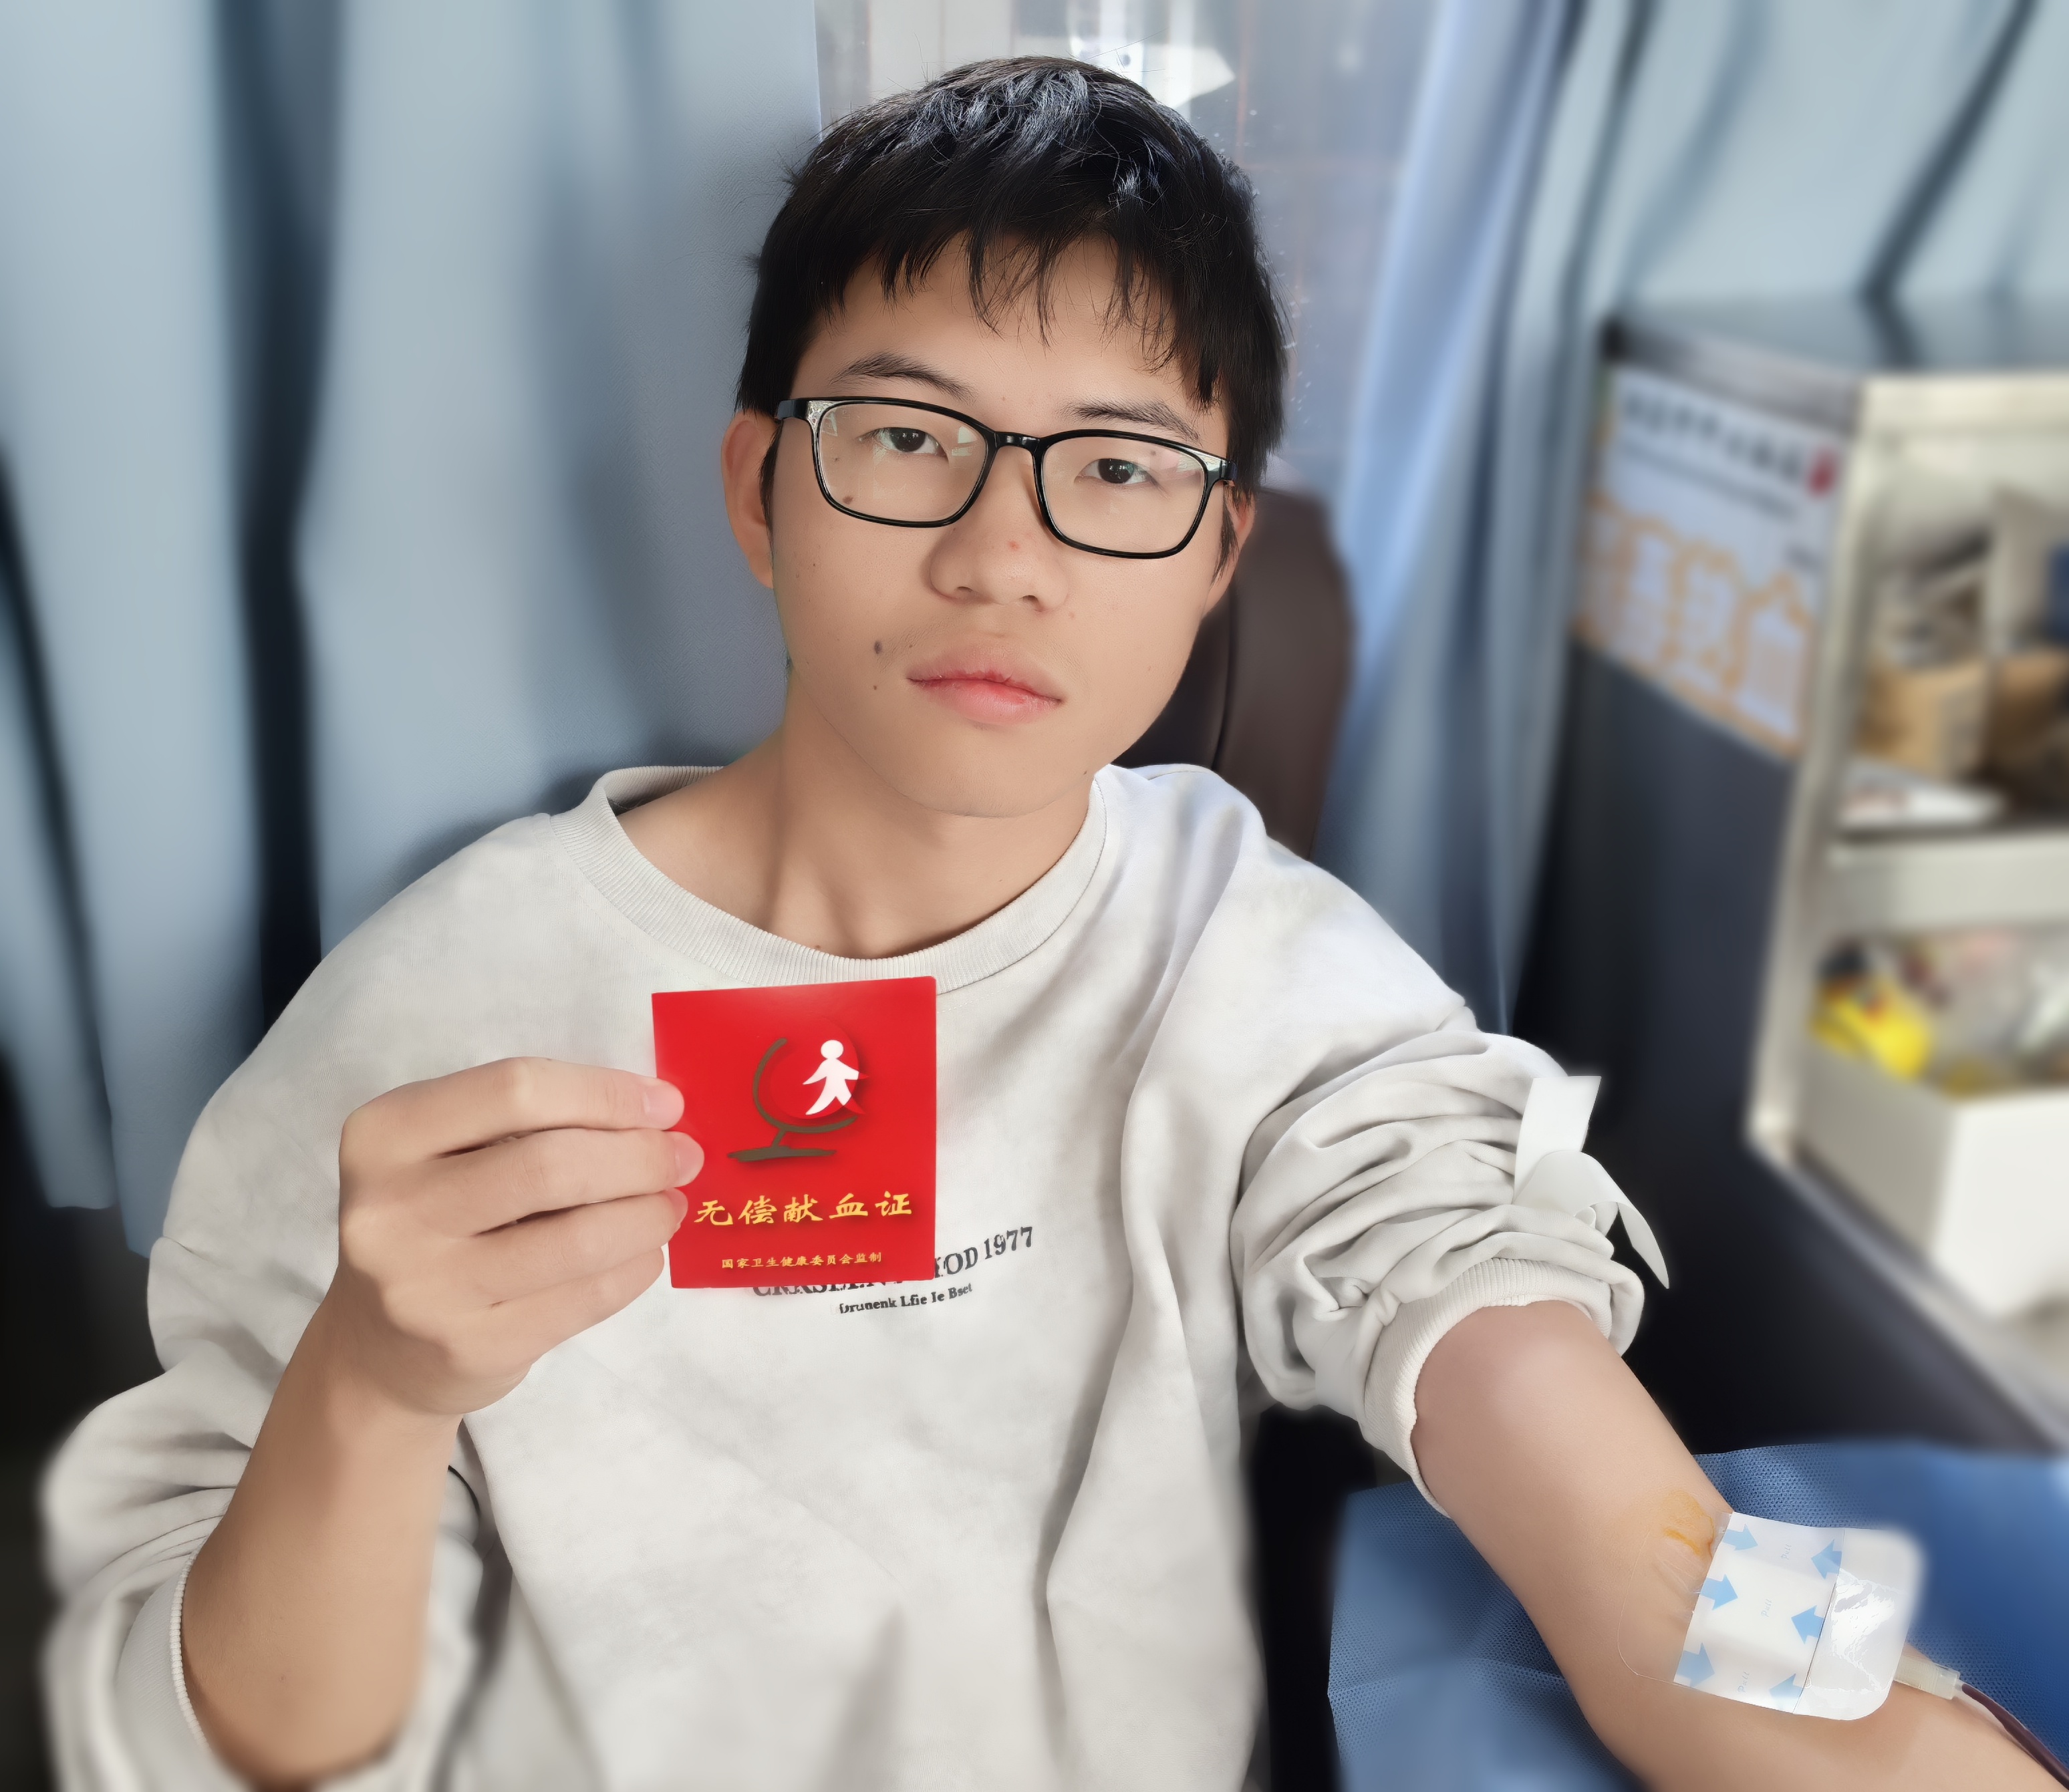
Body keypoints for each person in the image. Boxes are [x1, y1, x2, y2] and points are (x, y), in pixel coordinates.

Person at [43, 57, 2041, 1792]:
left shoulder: (1240, 958)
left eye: (1116, 468)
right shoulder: (442, 1013)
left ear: (1215, 555)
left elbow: (1610, 1500)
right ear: (758, 489)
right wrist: (372, 1387)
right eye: (909, 437)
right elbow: (237, 1746)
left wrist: (1793, 1659)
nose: (1004, 558)